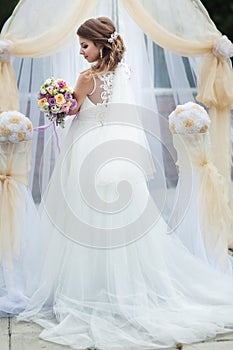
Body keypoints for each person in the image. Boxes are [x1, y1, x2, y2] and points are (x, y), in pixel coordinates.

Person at [18, 17, 233, 350]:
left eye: (84, 45)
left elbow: (71, 109)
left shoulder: (86, 79)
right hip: (116, 153)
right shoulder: (123, 74)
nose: (81, 51)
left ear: (101, 44)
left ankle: (89, 289)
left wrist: (54, 103)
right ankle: (122, 284)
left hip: (86, 150)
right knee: (126, 219)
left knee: (82, 216)